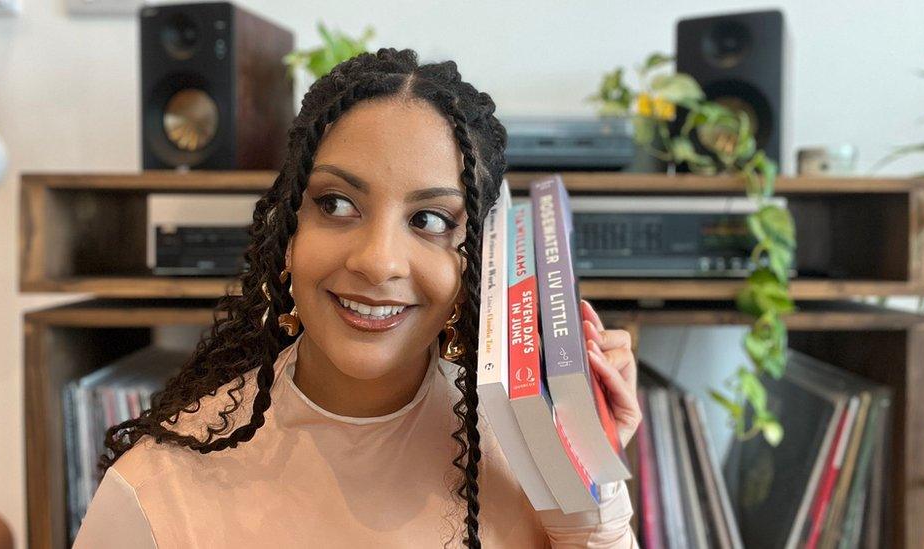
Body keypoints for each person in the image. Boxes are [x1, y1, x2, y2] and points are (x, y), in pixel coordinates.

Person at [73, 48, 642, 548]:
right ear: (287, 234)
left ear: (480, 264)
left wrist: (589, 490)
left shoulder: (527, 455)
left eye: (428, 219)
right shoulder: (156, 490)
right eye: (337, 204)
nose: (377, 261)